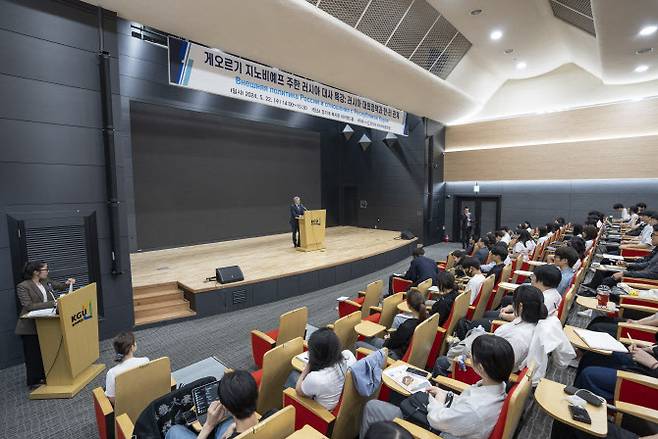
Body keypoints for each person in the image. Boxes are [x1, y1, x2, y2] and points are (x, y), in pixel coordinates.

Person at [360, 334, 514, 439]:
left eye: (471, 356)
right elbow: (466, 403)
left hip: (438, 430)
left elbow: (436, 419)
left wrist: (435, 402)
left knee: (372, 406)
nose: (468, 358)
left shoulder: (475, 409)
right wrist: (445, 393)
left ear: (480, 367)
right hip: (455, 422)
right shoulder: (499, 388)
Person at [435, 285, 547, 375]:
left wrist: (472, 356)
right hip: (490, 352)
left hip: (487, 370)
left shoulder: (519, 337)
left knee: (441, 362)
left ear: (521, 306)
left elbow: (498, 367)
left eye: (514, 303)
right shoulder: (530, 324)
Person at [15, 260, 75, 388]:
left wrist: (67, 284)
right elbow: (29, 306)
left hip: (45, 323)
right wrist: (52, 303)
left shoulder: (45, 281)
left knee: (45, 351)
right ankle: (34, 381)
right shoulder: (23, 286)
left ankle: (46, 375)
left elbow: (58, 286)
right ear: (36, 272)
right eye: (45, 269)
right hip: (29, 326)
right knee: (33, 353)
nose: (47, 272)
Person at [166, 370, 261, 439]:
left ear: (226, 407)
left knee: (175, 431)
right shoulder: (272, 413)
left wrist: (208, 425)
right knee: (226, 425)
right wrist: (233, 425)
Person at [293, 328, 356, 411]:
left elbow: (298, 390)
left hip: (321, 415)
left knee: (293, 375)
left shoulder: (316, 378)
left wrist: (308, 365)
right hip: (340, 404)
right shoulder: (349, 355)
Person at [356, 289, 428, 360]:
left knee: (359, 344)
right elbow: (399, 337)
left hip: (394, 356)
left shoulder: (407, 326)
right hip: (407, 353)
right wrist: (392, 336)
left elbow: (390, 345)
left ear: (408, 306)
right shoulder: (428, 319)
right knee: (369, 340)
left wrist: (388, 339)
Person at [105, 332, 150, 404]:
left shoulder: (112, 373)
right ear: (132, 347)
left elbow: (112, 398)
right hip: (146, 401)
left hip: (125, 409)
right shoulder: (145, 361)